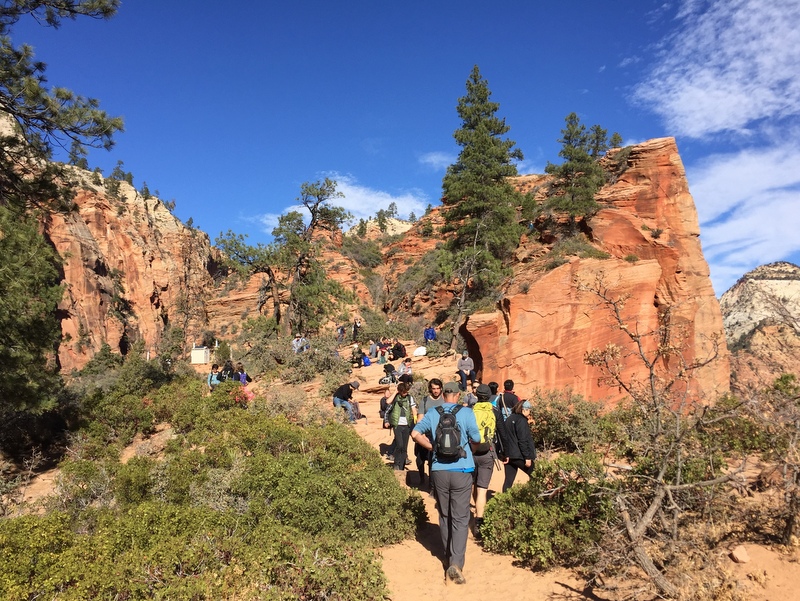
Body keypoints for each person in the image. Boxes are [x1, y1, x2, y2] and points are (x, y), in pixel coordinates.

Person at [411, 381, 480, 585]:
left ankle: (448, 557)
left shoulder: (433, 413)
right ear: (458, 395)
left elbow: (415, 433)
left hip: (439, 470)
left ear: (444, 395)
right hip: (462, 470)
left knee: (444, 514)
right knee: (460, 517)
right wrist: (471, 450)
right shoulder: (466, 413)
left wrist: (432, 448)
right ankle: (456, 563)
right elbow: (476, 437)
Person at [470, 383, 508, 541]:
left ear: (476, 395)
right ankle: (479, 521)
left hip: (471, 452)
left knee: (472, 486)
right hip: (488, 452)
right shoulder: (495, 411)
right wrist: (504, 452)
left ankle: (470, 516)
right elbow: (502, 433)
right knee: (482, 490)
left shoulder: (469, 410)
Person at [415, 378, 445, 486]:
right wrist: (421, 435)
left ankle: (432, 485)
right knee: (420, 459)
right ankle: (422, 478)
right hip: (425, 434)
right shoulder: (425, 400)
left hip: (439, 435)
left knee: (434, 461)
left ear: (441, 389)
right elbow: (420, 418)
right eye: (434, 389)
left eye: (438, 388)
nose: (436, 391)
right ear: (430, 389)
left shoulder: (444, 400)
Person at [502, 400, 536, 493]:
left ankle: (504, 503)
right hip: (519, 456)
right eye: (529, 410)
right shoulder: (522, 420)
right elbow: (522, 440)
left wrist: (506, 453)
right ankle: (534, 498)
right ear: (524, 410)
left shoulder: (509, 419)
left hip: (509, 456)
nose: (529, 413)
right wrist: (527, 457)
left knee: (508, 481)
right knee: (536, 475)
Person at [384, 381, 417, 471]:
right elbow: (387, 401)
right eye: (404, 391)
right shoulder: (396, 398)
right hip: (397, 424)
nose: (405, 393)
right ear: (400, 391)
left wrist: (415, 418)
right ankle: (396, 464)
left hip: (407, 425)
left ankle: (401, 466)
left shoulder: (409, 398)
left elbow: (414, 409)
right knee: (400, 445)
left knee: (405, 447)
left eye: (406, 391)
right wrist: (395, 392)